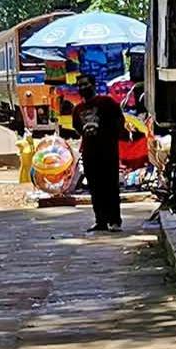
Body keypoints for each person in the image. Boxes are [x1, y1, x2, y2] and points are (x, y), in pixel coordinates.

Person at [74, 73, 126, 232]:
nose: (83, 87)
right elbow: (77, 128)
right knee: (95, 188)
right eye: (80, 85)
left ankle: (115, 220)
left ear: (93, 85)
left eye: (86, 84)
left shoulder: (107, 102)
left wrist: (109, 137)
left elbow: (120, 121)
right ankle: (100, 220)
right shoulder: (77, 109)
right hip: (90, 153)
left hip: (108, 151)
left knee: (110, 186)